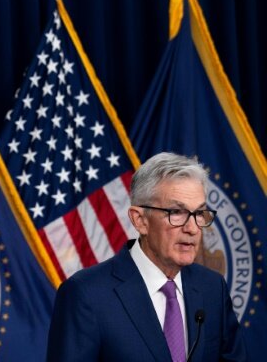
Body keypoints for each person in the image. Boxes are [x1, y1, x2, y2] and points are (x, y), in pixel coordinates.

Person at [46, 152, 246, 361]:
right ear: (140, 220)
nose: (193, 228)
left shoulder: (212, 287)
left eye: (199, 213)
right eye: (177, 212)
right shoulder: (85, 294)